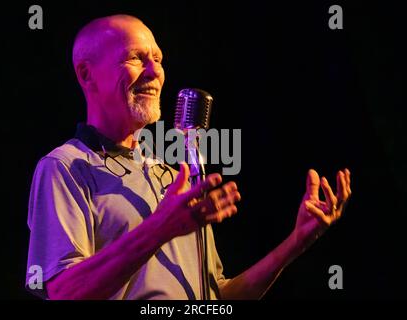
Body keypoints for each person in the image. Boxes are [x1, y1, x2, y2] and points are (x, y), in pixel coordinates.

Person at [25, 14, 351, 300]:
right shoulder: (64, 167)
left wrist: (295, 243)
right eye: (136, 58)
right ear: (86, 74)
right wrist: (160, 228)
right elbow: (64, 292)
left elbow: (216, 295)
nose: (155, 71)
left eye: (158, 58)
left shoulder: (171, 176)